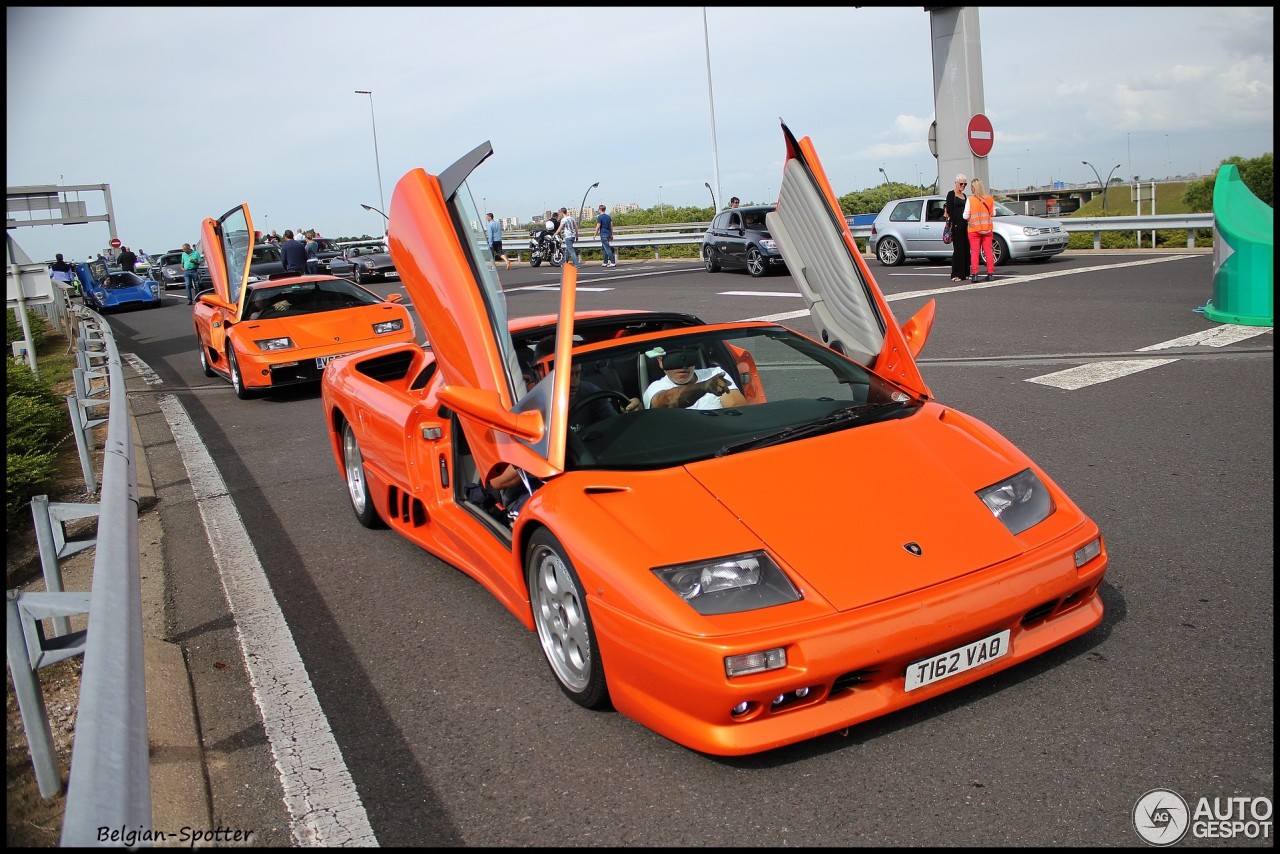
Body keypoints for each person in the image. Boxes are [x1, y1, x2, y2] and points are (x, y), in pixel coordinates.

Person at [644, 349, 746, 410]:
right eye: (674, 361)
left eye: (688, 358)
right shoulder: (655, 388)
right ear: (661, 362)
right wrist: (703, 387)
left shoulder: (715, 374)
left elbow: (738, 408)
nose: (683, 367)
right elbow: (668, 400)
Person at [963, 177, 996, 282]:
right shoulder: (989, 199)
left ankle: (975, 274)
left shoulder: (970, 200)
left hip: (974, 229)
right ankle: (990, 274)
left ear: (973, 188)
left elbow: (965, 216)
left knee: (975, 252)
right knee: (988, 251)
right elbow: (993, 213)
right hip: (987, 229)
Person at [944, 173, 971, 283]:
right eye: (961, 184)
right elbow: (950, 209)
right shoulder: (951, 194)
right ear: (956, 183)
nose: (963, 186)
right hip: (956, 225)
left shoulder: (965, 196)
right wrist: (955, 223)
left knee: (966, 249)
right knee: (958, 250)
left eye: (965, 184)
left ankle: (965, 273)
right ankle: (956, 273)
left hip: (965, 225)